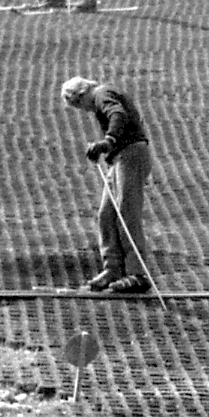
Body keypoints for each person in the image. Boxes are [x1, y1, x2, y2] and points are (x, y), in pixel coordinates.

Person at [60, 75, 153, 293]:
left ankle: (138, 274)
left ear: (82, 95)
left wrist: (107, 142)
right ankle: (113, 269)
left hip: (131, 155)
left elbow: (117, 114)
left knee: (126, 213)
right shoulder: (103, 95)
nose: (84, 110)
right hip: (119, 158)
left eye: (78, 105)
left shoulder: (102, 94)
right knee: (106, 214)